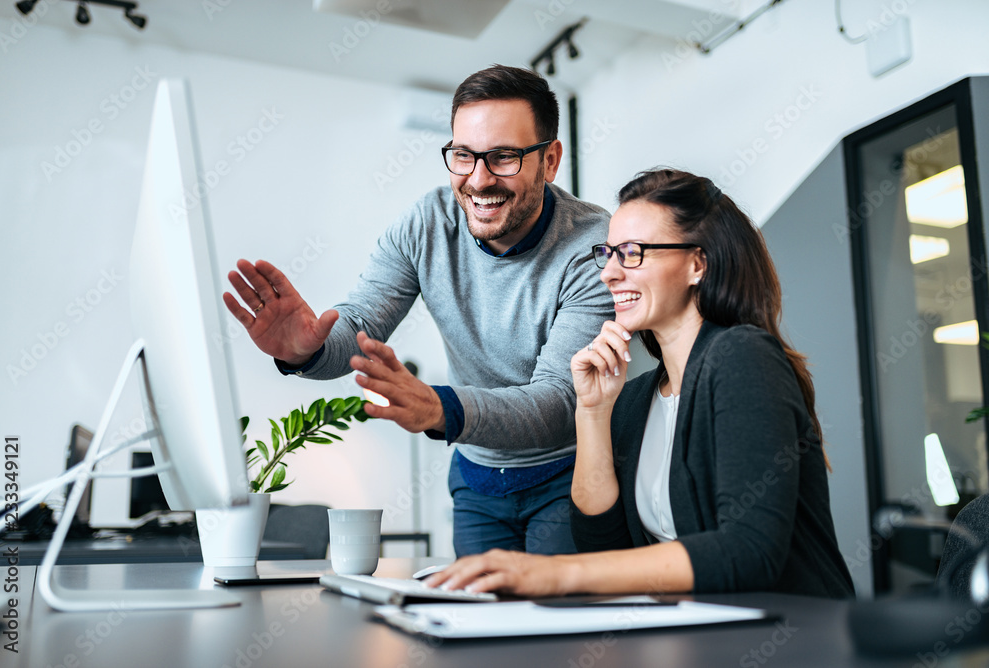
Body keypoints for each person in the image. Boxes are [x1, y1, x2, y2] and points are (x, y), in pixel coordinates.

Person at [222, 65, 613, 557]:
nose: (479, 179)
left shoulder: (596, 248)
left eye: (504, 158)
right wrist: (310, 350)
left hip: (570, 473)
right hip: (476, 477)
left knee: (558, 629)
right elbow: (361, 323)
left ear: (550, 160)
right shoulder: (426, 224)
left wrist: (440, 407)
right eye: (464, 156)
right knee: (479, 624)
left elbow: (559, 403)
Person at [425, 168, 856, 598]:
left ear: (697, 263)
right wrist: (592, 412)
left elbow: (748, 551)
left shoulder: (743, 357)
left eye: (632, 252)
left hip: (794, 637)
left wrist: (557, 573)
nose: (609, 274)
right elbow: (603, 546)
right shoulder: (635, 399)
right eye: (608, 253)